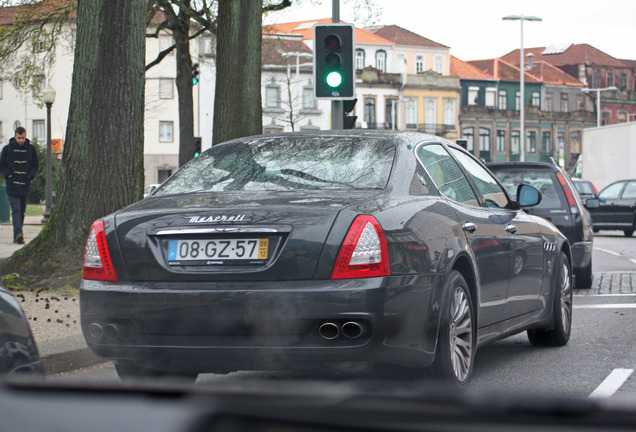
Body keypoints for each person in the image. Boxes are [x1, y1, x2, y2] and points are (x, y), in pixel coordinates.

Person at [0, 127, 40, 244]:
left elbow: (35, 165)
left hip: (24, 184)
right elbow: (2, 165)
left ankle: (17, 234)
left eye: (22, 138)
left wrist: (29, 176)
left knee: (22, 210)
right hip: (12, 185)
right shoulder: (7, 149)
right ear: (15, 136)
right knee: (16, 209)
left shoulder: (31, 149)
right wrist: (8, 175)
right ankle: (18, 234)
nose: (21, 140)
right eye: (19, 138)